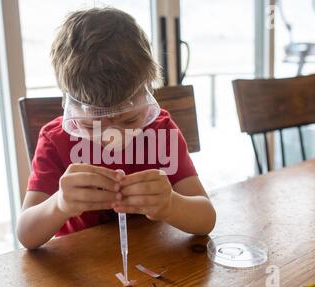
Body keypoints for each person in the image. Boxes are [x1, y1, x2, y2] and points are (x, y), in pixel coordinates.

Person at [17, 7, 216, 250]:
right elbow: (26, 234)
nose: (113, 138)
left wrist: (171, 205)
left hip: (153, 264)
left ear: (146, 96)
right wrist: (59, 204)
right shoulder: (55, 140)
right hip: (80, 274)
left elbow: (206, 219)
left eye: (130, 121)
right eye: (91, 125)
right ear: (71, 107)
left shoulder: (161, 132)